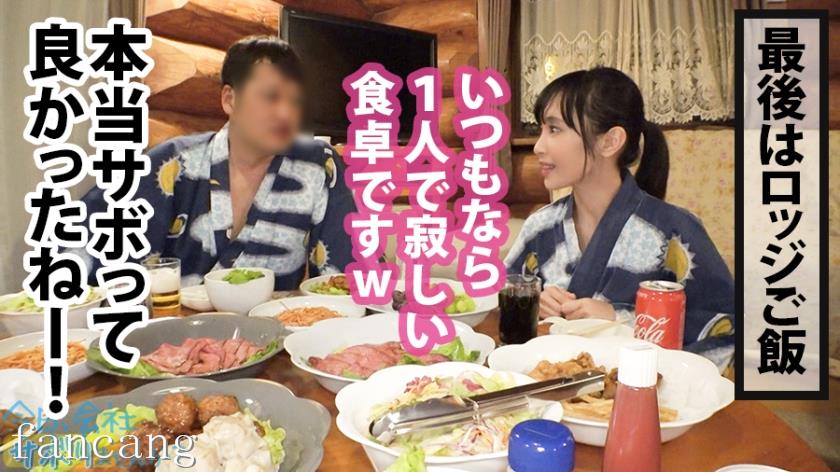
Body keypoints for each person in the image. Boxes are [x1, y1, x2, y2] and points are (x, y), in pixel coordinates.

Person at [76, 36, 355, 290]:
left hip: (279, 324)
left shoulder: (318, 164)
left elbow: (344, 275)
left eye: (295, 101)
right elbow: (92, 250)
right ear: (230, 99)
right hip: (171, 325)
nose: (285, 113)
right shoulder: (172, 163)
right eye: (271, 96)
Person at [504, 67, 733, 364]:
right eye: (541, 130)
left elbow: (726, 326)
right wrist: (534, 301)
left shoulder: (674, 231)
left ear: (610, 141)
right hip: (547, 383)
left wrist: (621, 319)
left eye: (555, 129)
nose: (538, 146)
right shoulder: (540, 227)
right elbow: (503, 293)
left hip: (644, 390)